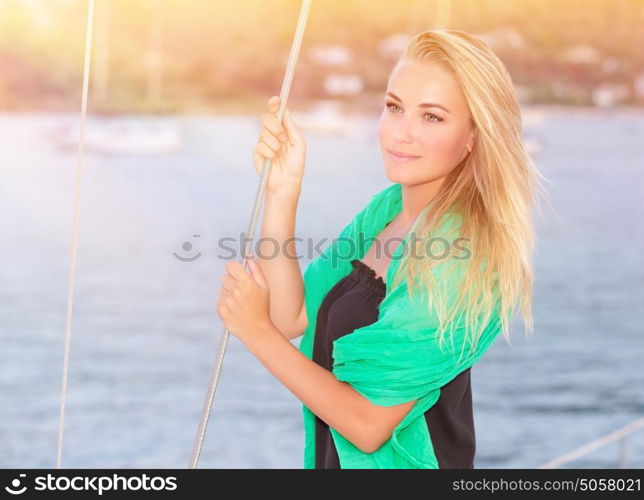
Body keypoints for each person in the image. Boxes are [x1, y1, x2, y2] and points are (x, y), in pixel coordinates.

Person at [215, 29, 544, 468]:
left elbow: (368, 425)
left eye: (432, 117)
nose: (400, 133)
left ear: (473, 135)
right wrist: (282, 192)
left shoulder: (463, 256)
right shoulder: (389, 209)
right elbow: (292, 317)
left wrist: (255, 334)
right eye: (394, 107)